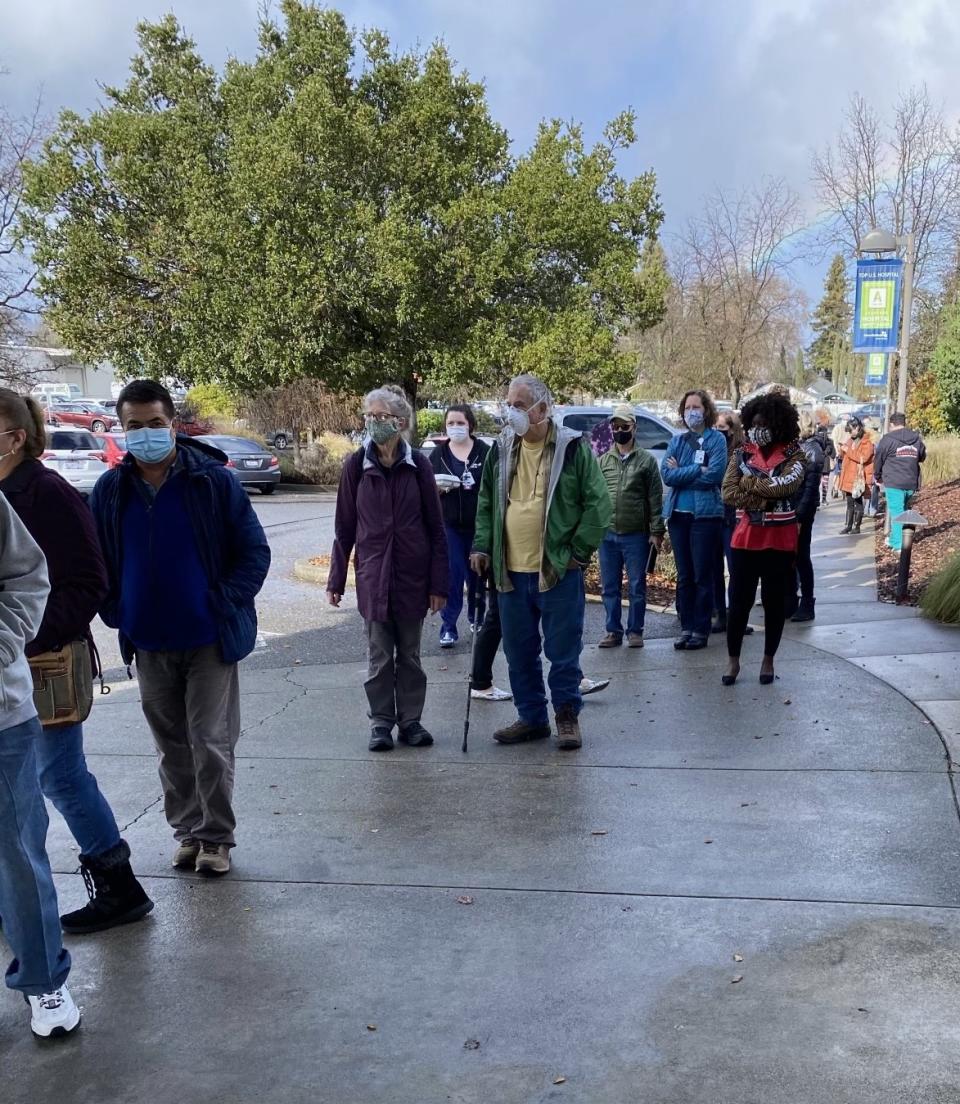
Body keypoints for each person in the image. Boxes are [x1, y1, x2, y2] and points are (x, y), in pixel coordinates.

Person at [90, 380, 270, 877]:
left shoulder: (212, 482)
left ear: (172, 424)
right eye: (133, 426)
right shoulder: (111, 490)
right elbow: (96, 562)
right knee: (171, 746)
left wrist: (220, 604)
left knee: (210, 741)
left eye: (154, 424)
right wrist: (116, 610)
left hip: (208, 637)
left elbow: (253, 553)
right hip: (147, 640)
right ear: (121, 429)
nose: (144, 434)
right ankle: (188, 831)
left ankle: (216, 838)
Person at [0, 390, 152, 933]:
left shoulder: (47, 493)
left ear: (15, 438)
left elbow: (90, 580)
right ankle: (14, 898)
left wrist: (18, 637)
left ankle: (118, 885)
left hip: (41, 666)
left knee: (59, 777)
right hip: (13, 664)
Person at [470, 375, 610, 751]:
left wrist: (578, 553)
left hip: (557, 570)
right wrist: (482, 545)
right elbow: (486, 502)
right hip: (510, 571)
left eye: (519, 405)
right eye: (509, 403)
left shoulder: (573, 448)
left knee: (563, 651)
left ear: (543, 409)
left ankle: (566, 716)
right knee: (518, 650)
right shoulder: (500, 448)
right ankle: (531, 717)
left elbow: (598, 505)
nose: (510, 411)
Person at [0, 493, 83, 1037]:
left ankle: (44, 980)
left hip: (2, 719)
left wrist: (1, 641)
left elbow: (28, 577)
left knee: (17, 854)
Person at [327, 386, 448, 752]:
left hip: (412, 576)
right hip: (374, 577)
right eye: (369, 415)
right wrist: (336, 580)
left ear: (400, 422)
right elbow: (344, 528)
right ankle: (381, 722)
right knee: (379, 657)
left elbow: (436, 529)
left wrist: (438, 584)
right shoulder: (355, 466)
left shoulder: (419, 466)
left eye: (381, 416)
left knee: (410, 655)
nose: (373, 422)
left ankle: (411, 721)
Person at [722, 392, 806, 686]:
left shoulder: (794, 453)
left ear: (778, 424)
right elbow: (729, 493)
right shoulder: (741, 453)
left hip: (780, 540)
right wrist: (764, 495)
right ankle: (733, 661)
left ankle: (768, 660)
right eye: (753, 423)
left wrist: (751, 485)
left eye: (764, 423)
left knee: (774, 603)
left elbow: (788, 485)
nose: (758, 429)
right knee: (739, 602)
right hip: (745, 540)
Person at [660, 390, 727, 650]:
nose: (691, 411)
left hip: (705, 517)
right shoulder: (677, 441)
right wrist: (697, 469)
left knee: (702, 574)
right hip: (678, 516)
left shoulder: (716, 440)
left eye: (696, 406)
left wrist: (682, 472)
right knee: (685, 575)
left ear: (706, 409)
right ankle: (686, 627)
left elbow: (715, 475)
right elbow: (667, 474)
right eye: (687, 407)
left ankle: (701, 629)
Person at [597, 404, 664, 648]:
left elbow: (655, 497)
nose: (619, 430)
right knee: (609, 587)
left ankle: (635, 631)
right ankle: (612, 631)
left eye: (624, 426)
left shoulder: (646, 461)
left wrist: (657, 531)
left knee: (637, 585)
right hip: (607, 534)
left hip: (636, 534)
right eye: (615, 426)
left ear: (634, 428)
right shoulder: (603, 461)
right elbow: (595, 497)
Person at [429, 405, 489, 648]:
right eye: (450, 423)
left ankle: (477, 618)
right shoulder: (438, 455)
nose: (455, 427)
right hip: (450, 525)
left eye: (459, 423)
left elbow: (493, 485)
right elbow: (426, 489)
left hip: (478, 525)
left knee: (477, 574)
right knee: (452, 576)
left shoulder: (484, 452)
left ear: (470, 425)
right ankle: (448, 626)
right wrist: (438, 490)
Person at [711, 411, 752, 638]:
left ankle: (737, 615)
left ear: (733, 429)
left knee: (737, 570)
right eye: (716, 427)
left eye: (723, 428)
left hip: (734, 516)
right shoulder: (713, 448)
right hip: (715, 515)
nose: (719, 432)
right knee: (715, 569)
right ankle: (720, 614)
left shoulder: (742, 452)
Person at [791, 411, 825, 623]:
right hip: (795, 508)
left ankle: (807, 602)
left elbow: (810, 488)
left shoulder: (811, 451)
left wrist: (799, 516)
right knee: (794, 557)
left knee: (802, 557)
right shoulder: (801, 448)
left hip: (801, 512)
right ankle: (792, 600)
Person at [875, 412, 926, 551]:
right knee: (902, 510)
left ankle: (898, 545)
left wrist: (877, 476)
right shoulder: (916, 439)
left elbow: (878, 459)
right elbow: (922, 456)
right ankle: (893, 539)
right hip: (911, 481)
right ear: (904, 423)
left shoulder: (887, 439)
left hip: (893, 481)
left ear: (891, 424)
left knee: (897, 512)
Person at [837, 415, 875, 535]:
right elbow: (847, 457)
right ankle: (848, 526)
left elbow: (862, 458)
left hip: (858, 478)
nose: (850, 433)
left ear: (858, 427)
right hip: (848, 476)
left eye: (851, 430)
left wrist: (847, 450)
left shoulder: (867, 442)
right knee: (849, 503)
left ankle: (857, 526)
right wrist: (841, 451)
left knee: (858, 502)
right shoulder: (850, 440)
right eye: (849, 431)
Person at [813, 410, 836, 506]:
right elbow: (834, 454)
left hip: (817, 464)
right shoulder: (830, 441)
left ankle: (817, 500)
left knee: (816, 483)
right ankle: (824, 499)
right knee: (825, 483)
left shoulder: (815, 441)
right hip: (826, 465)